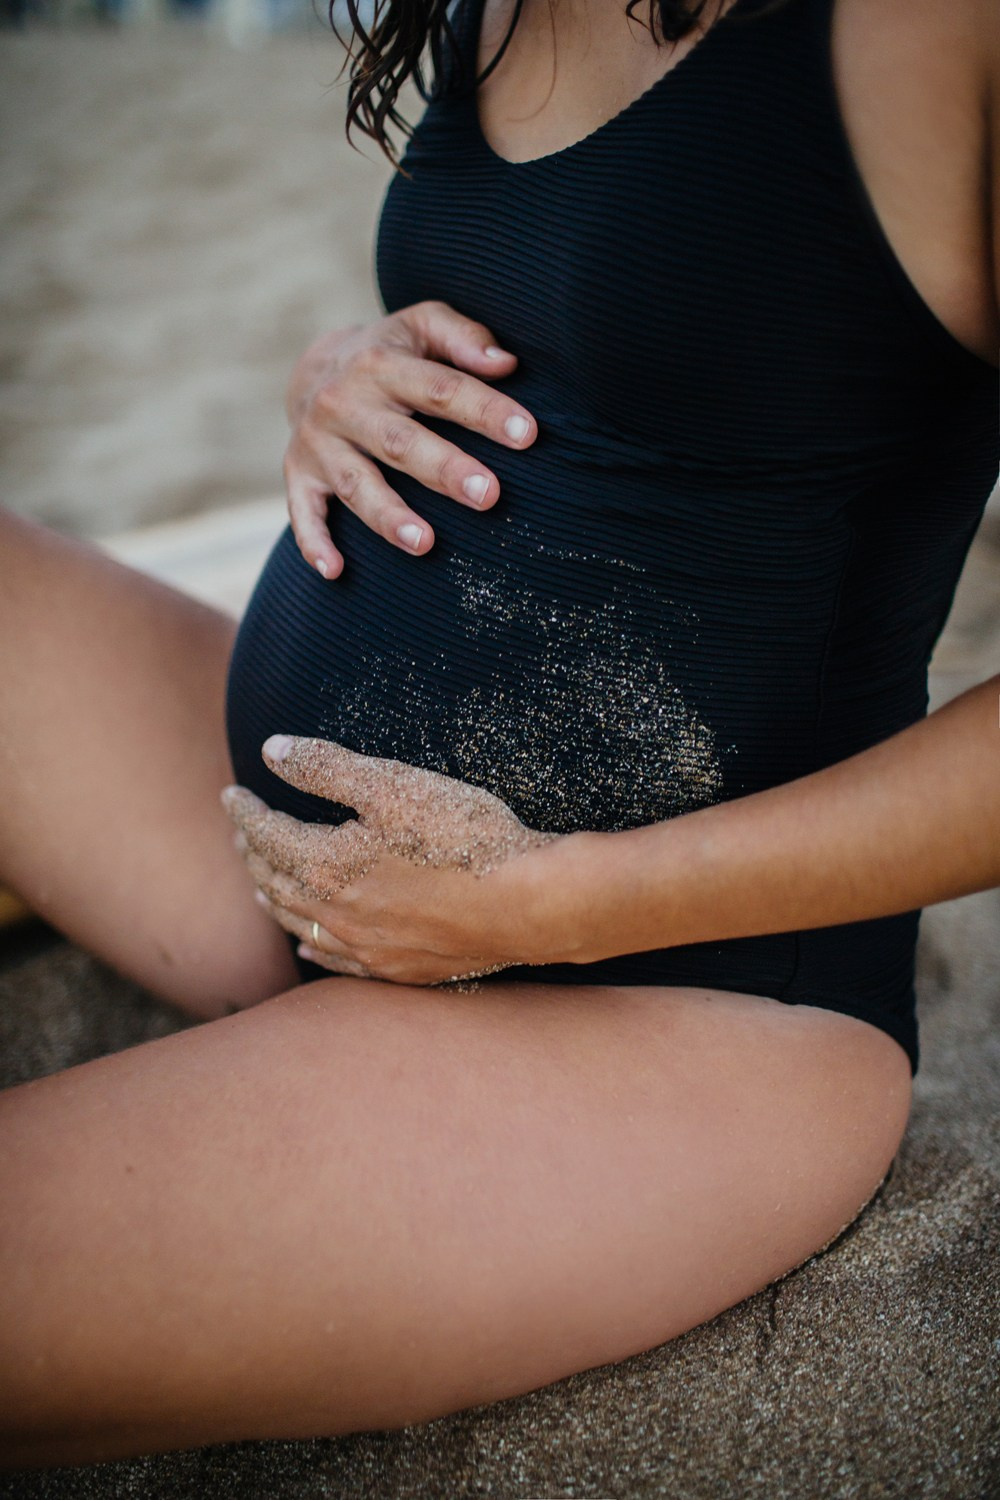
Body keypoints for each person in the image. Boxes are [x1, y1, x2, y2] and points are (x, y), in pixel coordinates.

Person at [1, 0, 998, 1469]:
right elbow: (589, 347)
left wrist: (556, 903)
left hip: (677, 1015)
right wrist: (337, 369)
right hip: (287, 863)